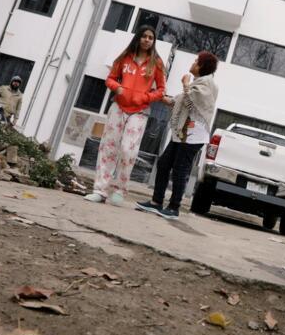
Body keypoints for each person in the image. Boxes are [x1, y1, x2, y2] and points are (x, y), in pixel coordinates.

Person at [85, 25, 166, 204]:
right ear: (138, 37)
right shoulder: (124, 57)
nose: (147, 40)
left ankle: (120, 190)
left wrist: (146, 97)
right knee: (108, 148)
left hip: (140, 111)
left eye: (150, 38)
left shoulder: (157, 63)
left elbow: (161, 90)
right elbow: (110, 79)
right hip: (118, 107)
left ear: (154, 41)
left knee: (128, 150)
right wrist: (118, 88)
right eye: (144, 36)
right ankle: (100, 191)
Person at [136, 51, 219, 220]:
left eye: (196, 61)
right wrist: (156, 95)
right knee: (165, 163)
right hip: (183, 134)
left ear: (202, 66)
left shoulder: (208, 84)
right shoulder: (199, 83)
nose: (193, 63)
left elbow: (192, 101)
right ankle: (156, 202)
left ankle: (174, 208)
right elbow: (178, 101)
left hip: (193, 135)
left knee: (180, 169)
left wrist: (185, 84)